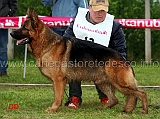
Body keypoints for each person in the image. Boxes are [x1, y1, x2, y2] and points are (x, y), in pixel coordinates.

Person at [63, 0, 127, 108]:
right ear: (89, 8)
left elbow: (121, 49)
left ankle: (106, 96)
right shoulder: (77, 22)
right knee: (71, 65)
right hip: (80, 61)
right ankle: (74, 98)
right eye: (97, 10)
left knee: (107, 69)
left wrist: (120, 67)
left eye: (103, 10)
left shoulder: (114, 26)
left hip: (102, 62)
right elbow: (64, 43)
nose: (100, 13)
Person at [0, 0, 18, 76]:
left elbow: (13, 3)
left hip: (3, 21)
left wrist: (10, 13)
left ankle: (2, 70)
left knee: (3, 47)